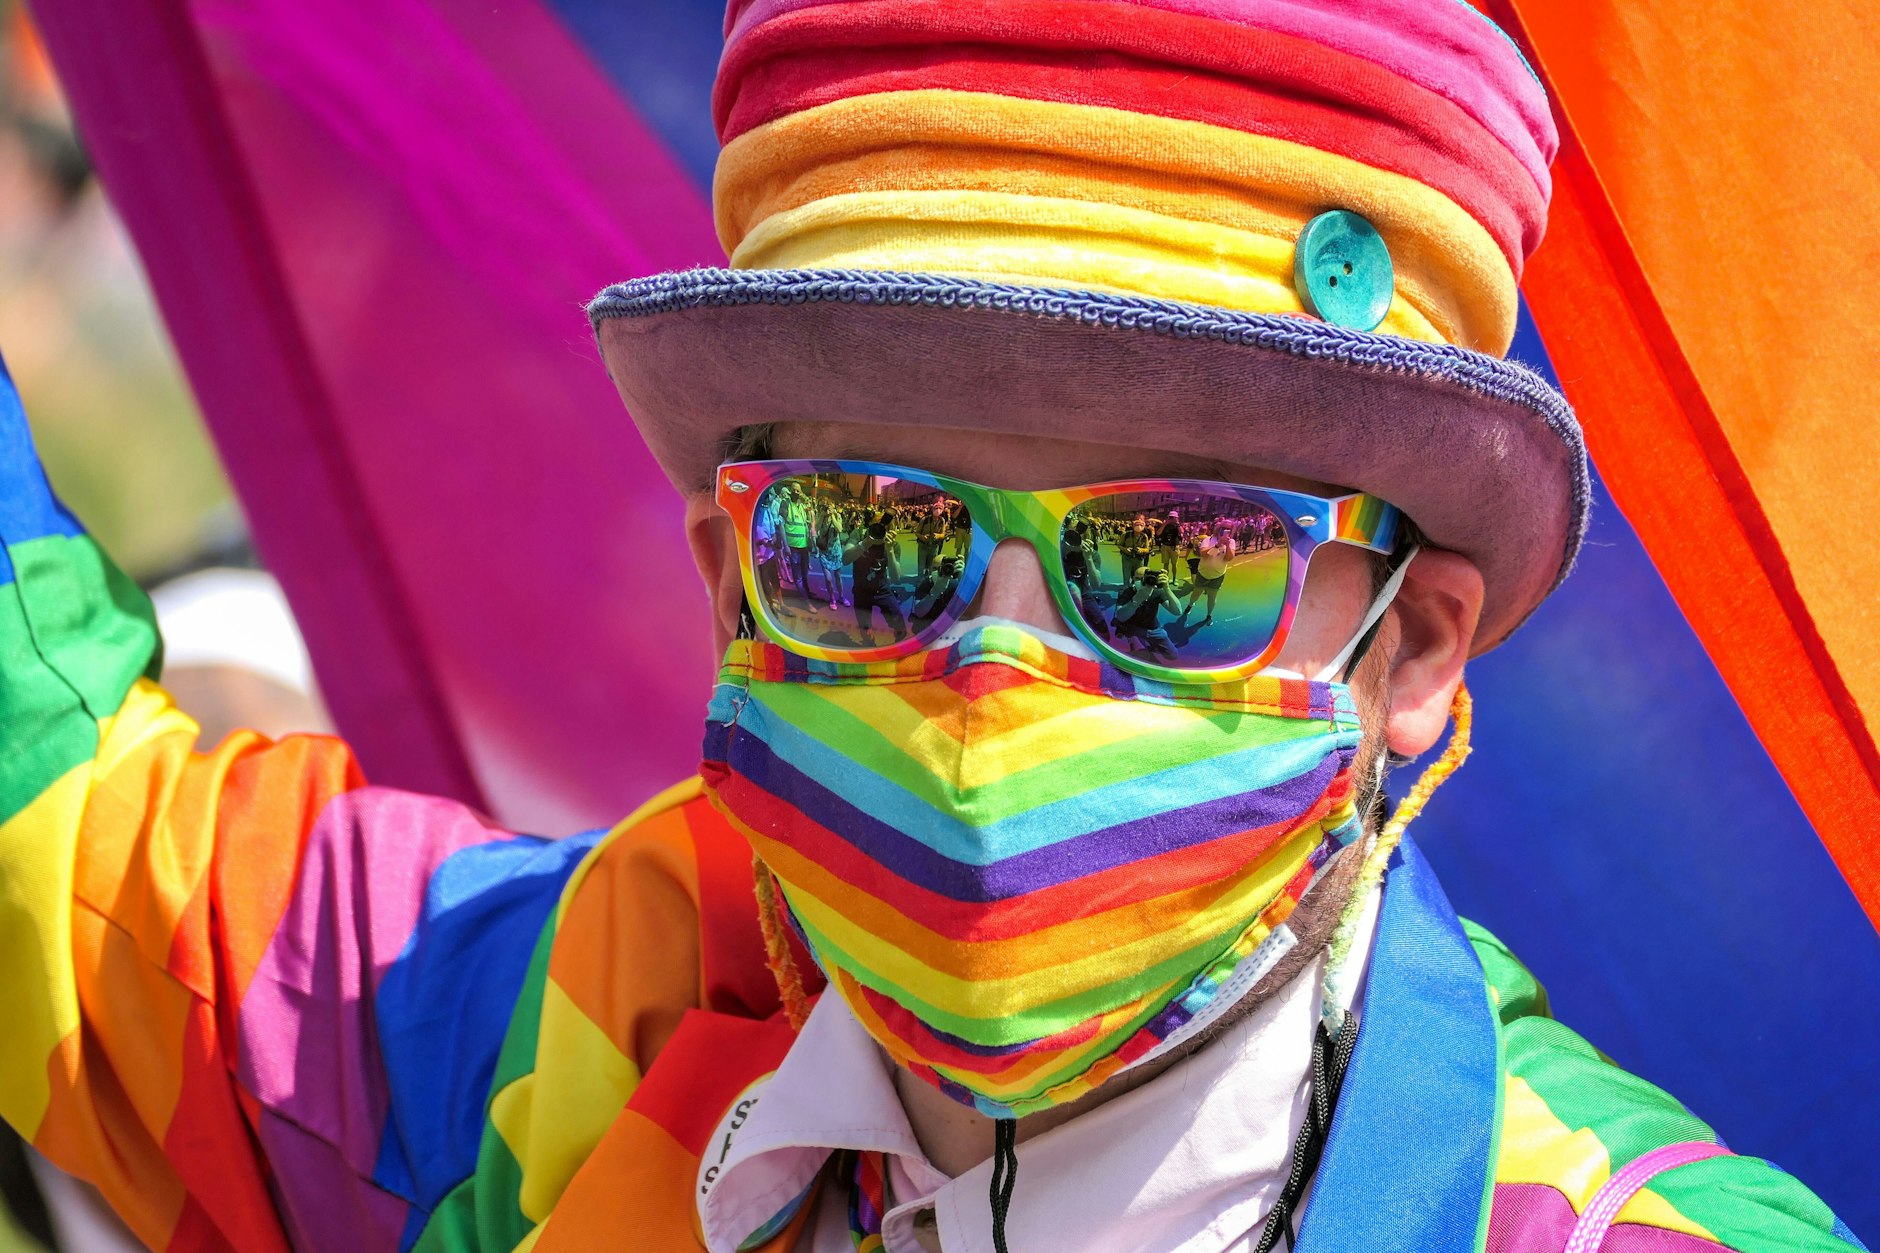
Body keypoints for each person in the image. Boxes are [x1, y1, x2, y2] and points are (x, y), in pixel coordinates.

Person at [0, 4, 1864, 1252]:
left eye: (1176, 557)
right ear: (736, 577)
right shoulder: (592, 1023)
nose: (996, 668)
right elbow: (68, 862)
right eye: (873, 540)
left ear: (1411, 646)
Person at [1181, 524, 1238, 628]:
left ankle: (1209, 615)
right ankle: (1190, 604)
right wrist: (1217, 545)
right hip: (1203, 573)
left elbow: (1229, 558)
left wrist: (1228, 545)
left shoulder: (1232, 542)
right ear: (1218, 529)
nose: (1227, 531)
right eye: (1224, 529)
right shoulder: (1208, 539)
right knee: (1196, 593)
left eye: (1229, 530)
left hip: (1218, 575)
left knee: (1212, 596)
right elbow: (1203, 554)